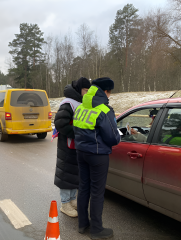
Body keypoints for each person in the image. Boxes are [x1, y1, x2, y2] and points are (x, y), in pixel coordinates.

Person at [73, 77, 120, 239]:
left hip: (81, 153)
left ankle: (82, 224)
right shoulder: (104, 110)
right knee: (97, 192)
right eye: (109, 92)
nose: (110, 96)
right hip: (98, 155)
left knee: (84, 188)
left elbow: (76, 130)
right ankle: (97, 230)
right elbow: (113, 138)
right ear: (105, 91)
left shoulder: (80, 108)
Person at [53, 77, 91, 218]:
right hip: (67, 145)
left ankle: (72, 200)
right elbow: (60, 124)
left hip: (77, 145)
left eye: (89, 90)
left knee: (75, 173)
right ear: (79, 89)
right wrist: (78, 133)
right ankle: (64, 204)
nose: (87, 93)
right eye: (85, 90)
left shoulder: (80, 103)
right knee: (66, 174)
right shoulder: (68, 103)